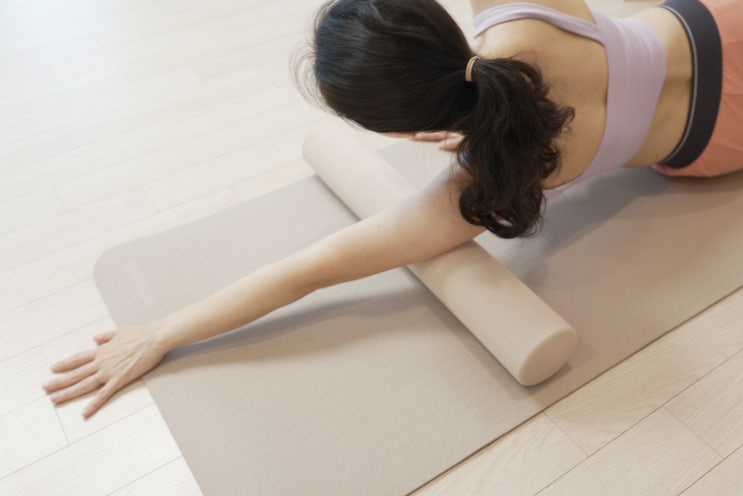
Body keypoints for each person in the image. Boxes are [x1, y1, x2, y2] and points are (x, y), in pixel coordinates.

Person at [43, 0, 742, 418]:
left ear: (406, 130)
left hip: (718, 141)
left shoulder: (483, 187)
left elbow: (310, 269)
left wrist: (162, 330)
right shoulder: (516, 10)